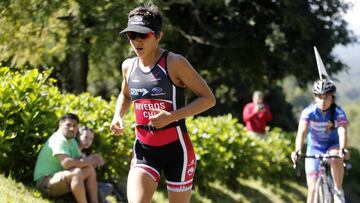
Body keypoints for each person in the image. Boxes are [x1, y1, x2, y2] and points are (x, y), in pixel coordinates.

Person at [109, 3, 216, 203]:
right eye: (132, 35)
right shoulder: (128, 66)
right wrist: (118, 116)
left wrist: (172, 116)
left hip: (177, 151)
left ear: (158, 36)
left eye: (143, 35)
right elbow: (125, 95)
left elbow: (208, 99)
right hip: (144, 149)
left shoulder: (174, 62)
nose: (137, 41)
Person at [291, 79, 349, 203]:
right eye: (319, 97)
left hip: (332, 145)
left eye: (326, 97)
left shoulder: (338, 112)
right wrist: (297, 150)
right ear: (315, 98)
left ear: (332, 98)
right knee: (311, 190)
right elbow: (301, 132)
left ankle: (338, 191)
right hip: (314, 147)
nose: (322, 101)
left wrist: (343, 149)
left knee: (335, 157)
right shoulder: (308, 112)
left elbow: (342, 131)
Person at [33, 113, 104, 203]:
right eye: (68, 125)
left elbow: (81, 160)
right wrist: (89, 161)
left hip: (59, 178)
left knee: (89, 169)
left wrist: (95, 160)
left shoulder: (72, 141)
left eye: (74, 126)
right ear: (60, 125)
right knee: (76, 173)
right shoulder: (58, 139)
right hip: (44, 182)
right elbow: (66, 163)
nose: (72, 128)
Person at [76, 126, 114, 203]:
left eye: (91, 139)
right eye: (86, 137)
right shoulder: (73, 149)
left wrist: (96, 163)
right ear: (78, 136)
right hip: (78, 182)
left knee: (109, 187)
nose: (88, 141)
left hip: (85, 182)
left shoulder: (85, 152)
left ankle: (101, 198)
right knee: (105, 192)